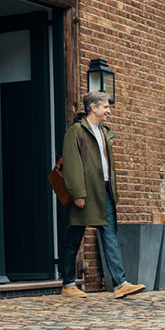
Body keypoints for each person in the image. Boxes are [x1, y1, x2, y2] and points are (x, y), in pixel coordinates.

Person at [60, 91, 145, 299]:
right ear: (93, 108)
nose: (108, 110)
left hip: (103, 191)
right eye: (105, 106)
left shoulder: (104, 132)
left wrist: (112, 193)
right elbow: (71, 164)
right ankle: (68, 284)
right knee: (74, 237)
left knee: (110, 235)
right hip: (84, 193)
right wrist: (78, 193)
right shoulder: (76, 132)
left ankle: (120, 283)